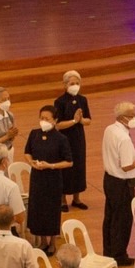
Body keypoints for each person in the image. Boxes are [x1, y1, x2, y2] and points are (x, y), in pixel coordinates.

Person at [101, 102, 135, 265]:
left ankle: (109, 250)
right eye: (133, 115)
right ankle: (119, 255)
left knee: (110, 217)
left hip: (109, 179)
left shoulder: (109, 129)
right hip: (122, 184)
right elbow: (126, 166)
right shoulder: (124, 138)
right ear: (122, 117)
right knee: (122, 220)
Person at [24, 106, 73, 244]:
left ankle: (52, 242)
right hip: (37, 178)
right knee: (38, 208)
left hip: (52, 179)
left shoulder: (61, 138)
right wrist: (31, 162)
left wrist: (50, 165)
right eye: (41, 118)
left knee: (51, 210)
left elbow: (69, 162)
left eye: (47, 119)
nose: (43, 121)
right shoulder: (34, 134)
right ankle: (42, 241)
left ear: (55, 120)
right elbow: (27, 152)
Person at [52, 71, 91, 210]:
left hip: (79, 138)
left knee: (79, 166)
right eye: (71, 83)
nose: (75, 86)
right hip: (64, 139)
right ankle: (62, 200)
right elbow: (58, 125)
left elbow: (88, 120)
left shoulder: (83, 100)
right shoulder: (59, 102)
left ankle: (77, 198)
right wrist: (74, 121)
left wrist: (80, 120)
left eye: (77, 83)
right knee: (66, 167)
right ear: (65, 85)